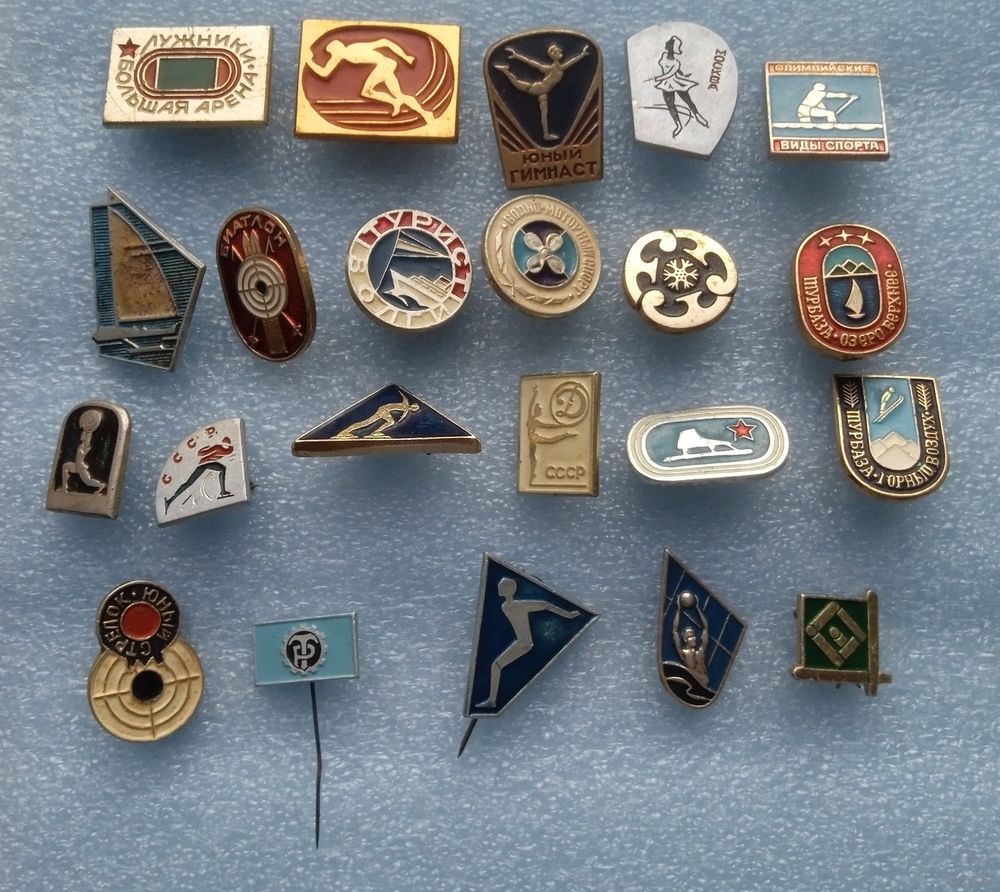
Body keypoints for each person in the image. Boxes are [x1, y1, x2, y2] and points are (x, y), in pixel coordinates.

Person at [477, 577, 580, 708]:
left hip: (524, 644)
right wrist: (568, 615)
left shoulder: (512, 606)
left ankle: (492, 701)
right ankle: (492, 700)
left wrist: (568, 615)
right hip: (522, 642)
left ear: (509, 590)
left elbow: (545, 605)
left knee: (496, 665)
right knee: (496, 665)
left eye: (502, 586)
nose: (498, 587)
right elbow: (545, 605)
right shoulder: (508, 606)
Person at [307, 37, 434, 123]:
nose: (332, 56)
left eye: (331, 52)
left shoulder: (354, 48)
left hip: (384, 65)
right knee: (399, 94)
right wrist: (309, 61)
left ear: (337, 48)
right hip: (386, 65)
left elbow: (384, 41)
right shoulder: (341, 56)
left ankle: (396, 103)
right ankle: (424, 113)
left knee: (367, 92)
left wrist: (405, 57)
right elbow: (325, 72)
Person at [493, 43, 589, 140]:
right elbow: (533, 63)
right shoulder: (552, 68)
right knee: (517, 83)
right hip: (539, 88)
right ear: (553, 55)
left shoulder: (559, 67)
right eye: (557, 52)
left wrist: (582, 55)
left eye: (559, 51)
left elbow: (571, 62)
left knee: (544, 113)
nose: (560, 52)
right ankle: (505, 71)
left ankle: (546, 135)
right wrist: (516, 55)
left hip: (543, 91)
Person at [654, 36, 708, 138]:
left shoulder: (676, 63)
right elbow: (666, 69)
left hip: (676, 82)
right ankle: (678, 125)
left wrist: (656, 78)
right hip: (666, 84)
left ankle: (697, 115)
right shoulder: (664, 55)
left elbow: (669, 74)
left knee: (687, 99)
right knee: (670, 104)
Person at [163, 438, 235, 513]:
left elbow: (230, 451)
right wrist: (205, 448)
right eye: (225, 444)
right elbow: (201, 453)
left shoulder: (229, 450)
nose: (226, 445)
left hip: (209, 464)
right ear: (222, 443)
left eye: (227, 444)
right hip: (203, 464)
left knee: (222, 469)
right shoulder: (217, 447)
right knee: (188, 484)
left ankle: (222, 492)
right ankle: (169, 501)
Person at [61, 409, 106, 493]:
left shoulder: (85, 447)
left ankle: (101, 485)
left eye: (83, 434)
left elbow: (88, 440)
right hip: (77, 466)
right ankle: (65, 488)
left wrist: (89, 429)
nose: (81, 435)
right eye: (82, 433)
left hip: (81, 467)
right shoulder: (81, 446)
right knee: (65, 466)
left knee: (87, 481)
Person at [335, 396, 420, 439]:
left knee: (366, 422)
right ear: (412, 405)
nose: (412, 408)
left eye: (414, 409)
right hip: (384, 410)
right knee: (390, 422)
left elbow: (402, 417)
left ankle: (344, 432)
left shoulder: (406, 410)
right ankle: (376, 432)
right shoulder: (405, 404)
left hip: (383, 410)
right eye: (414, 407)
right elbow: (404, 397)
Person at [672, 594, 710, 687]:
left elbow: (705, 629)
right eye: (690, 636)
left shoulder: (700, 652)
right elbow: (675, 631)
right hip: (692, 683)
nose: (693, 638)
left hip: (704, 682)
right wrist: (678, 610)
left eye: (694, 636)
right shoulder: (683, 653)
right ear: (685, 639)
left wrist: (697, 608)